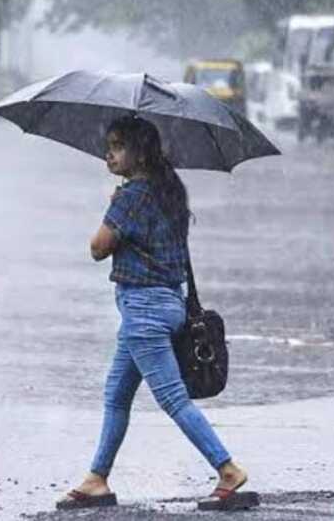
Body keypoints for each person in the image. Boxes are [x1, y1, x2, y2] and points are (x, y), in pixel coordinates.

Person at [57, 115, 249, 510]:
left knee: (173, 399)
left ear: (140, 153)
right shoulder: (167, 192)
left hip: (143, 311)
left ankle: (227, 468)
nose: (107, 153)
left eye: (117, 146)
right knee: (116, 394)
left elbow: (97, 248)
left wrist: (115, 209)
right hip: (162, 304)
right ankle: (97, 478)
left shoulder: (132, 197)